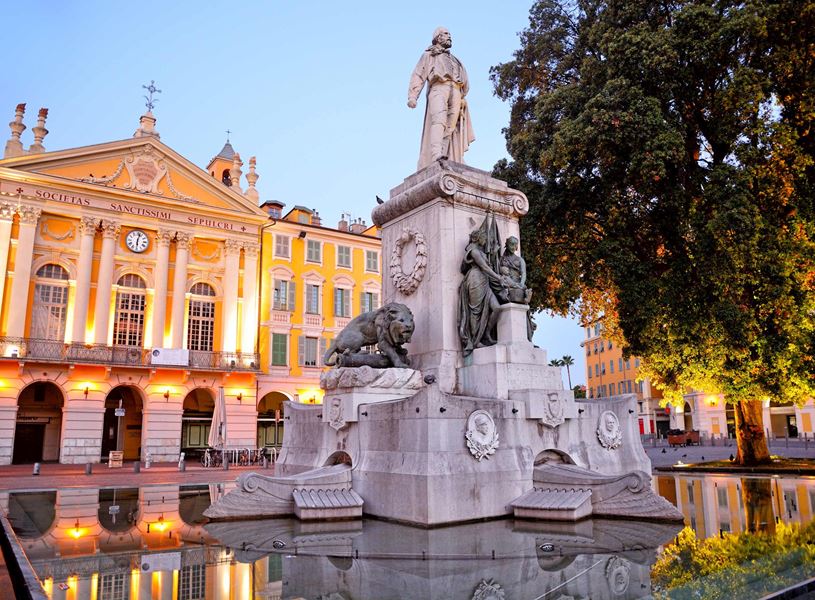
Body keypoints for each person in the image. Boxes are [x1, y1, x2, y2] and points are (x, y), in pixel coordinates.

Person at [408, 27, 475, 170]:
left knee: (451, 127)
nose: (449, 36)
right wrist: (413, 96)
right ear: (438, 37)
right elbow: (418, 74)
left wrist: (463, 95)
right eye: (446, 34)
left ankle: (445, 155)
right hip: (438, 87)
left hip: (456, 90)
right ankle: (435, 155)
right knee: (439, 121)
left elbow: (464, 79)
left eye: (450, 34)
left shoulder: (455, 59)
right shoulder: (429, 55)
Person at [458, 228, 503, 356]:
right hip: (475, 280)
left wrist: (494, 254)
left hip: (485, 281)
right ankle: (475, 340)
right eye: (483, 237)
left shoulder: (481, 252)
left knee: (497, 308)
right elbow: (484, 267)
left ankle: (486, 334)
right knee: (475, 311)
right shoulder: (473, 251)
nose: (486, 240)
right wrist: (498, 277)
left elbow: (487, 266)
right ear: (477, 238)